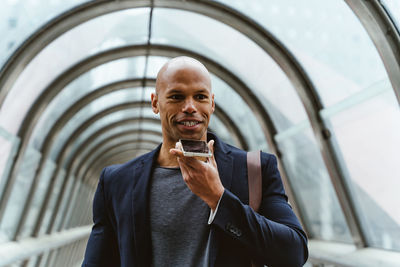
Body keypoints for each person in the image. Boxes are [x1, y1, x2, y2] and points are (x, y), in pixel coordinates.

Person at [82, 56, 308, 267]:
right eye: (176, 96)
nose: (190, 107)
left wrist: (218, 199)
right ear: (155, 103)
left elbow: (294, 252)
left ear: (212, 104)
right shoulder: (116, 181)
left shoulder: (254, 169)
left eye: (200, 97)